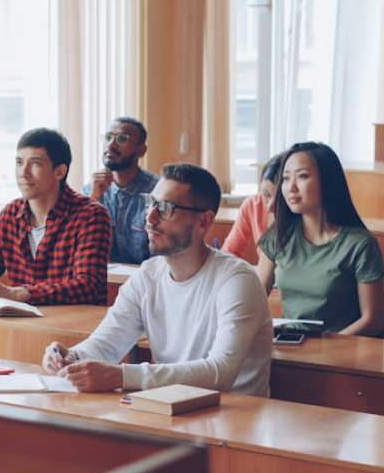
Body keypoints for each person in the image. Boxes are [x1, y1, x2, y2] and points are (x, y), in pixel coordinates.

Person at [42, 163, 272, 395]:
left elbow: (221, 372)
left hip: (235, 418)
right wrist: (73, 357)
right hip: (171, 408)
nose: (150, 217)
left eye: (165, 208)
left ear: (203, 221)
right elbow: (106, 344)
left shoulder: (238, 281)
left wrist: (121, 375)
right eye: (149, 203)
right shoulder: (147, 276)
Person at [256, 141, 384, 335]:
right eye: (285, 178)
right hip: (289, 347)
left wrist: (326, 352)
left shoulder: (361, 245)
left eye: (302, 176)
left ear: (327, 181)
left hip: (340, 354)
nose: (291, 187)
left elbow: (372, 321)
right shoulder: (279, 236)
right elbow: (252, 300)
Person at [0, 128, 112, 305]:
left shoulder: (91, 215)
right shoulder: (10, 214)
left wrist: (19, 293)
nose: (23, 172)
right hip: (25, 326)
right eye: (19, 163)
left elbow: (88, 286)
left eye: (35, 163)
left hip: (74, 327)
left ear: (59, 172)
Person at [82, 117, 160, 264]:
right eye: (107, 137)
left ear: (141, 150)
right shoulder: (91, 189)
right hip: (104, 281)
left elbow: (166, 251)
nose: (111, 144)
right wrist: (93, 199)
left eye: (122, 139)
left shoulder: (157, 192)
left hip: (146, 281)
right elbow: (77, 246)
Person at [221, 152, 283, 262]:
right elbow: (230, 251)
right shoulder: (253, 205)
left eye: (280, 200)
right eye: (266, 194)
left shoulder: (300, 213)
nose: (270, 207)